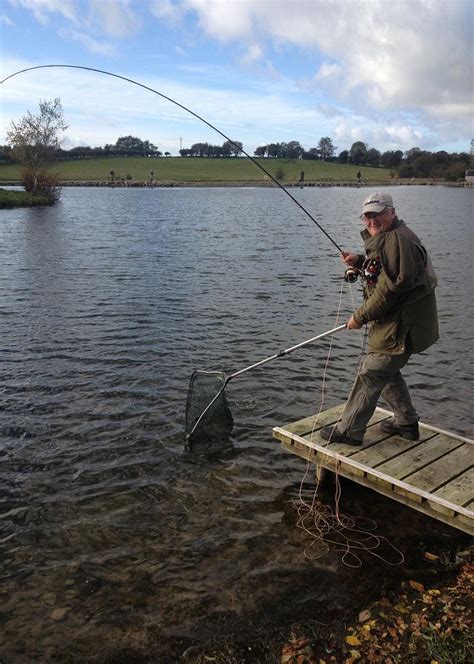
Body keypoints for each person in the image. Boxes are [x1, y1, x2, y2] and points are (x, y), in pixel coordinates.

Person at [321, 192, 439, 445]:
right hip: (395, 322)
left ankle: (350, 431)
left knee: (372, 371)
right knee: (386, 371)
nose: (372, 220)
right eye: (367, 215)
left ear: (392, 212)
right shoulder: (390, 237)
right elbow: (386, 269)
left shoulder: (398, 240)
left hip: (401, 323)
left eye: (378, 214)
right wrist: (360, 260)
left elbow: (388, 292)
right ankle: (406, 423)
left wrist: (358, 317)